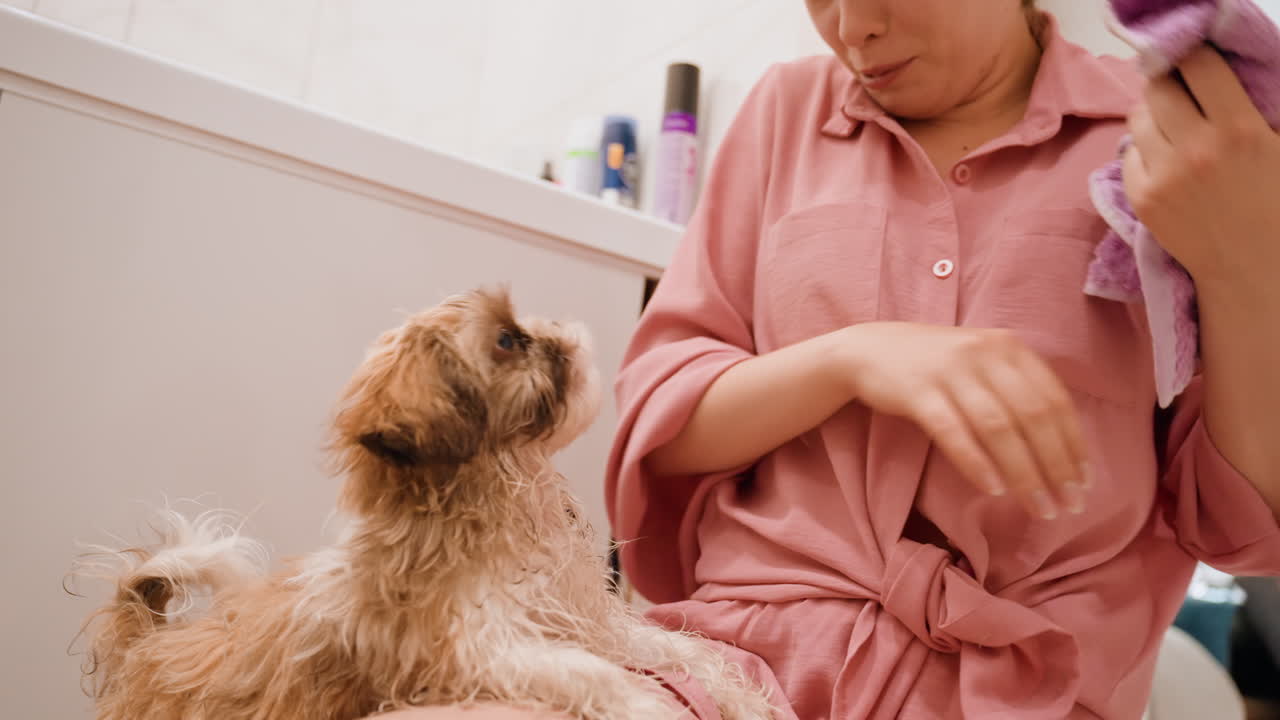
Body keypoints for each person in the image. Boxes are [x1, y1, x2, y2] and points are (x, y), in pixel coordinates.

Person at [384, 0, 1280, 717]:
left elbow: (1240, 523)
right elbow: (664, 421)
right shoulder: (785, 112)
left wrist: (1249, 265)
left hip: (1026, 692)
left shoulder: (1164, 139)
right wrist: (852, 360)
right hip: (729, 669)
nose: (852, 29)